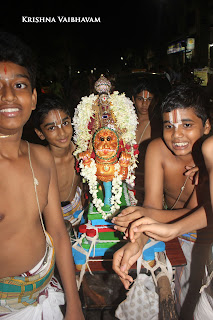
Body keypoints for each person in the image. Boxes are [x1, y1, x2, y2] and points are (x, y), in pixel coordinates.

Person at [0, 32, 84, 319]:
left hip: (47, 293)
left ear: (33, 97)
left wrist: (73, 305)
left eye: (19, 85)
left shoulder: (40, 156)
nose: (8, 95)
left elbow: (58, 233)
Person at [112, 83, 212, 319]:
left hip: (205, 240)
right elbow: (153, 207)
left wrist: (141, 216)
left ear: (207, 125)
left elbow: (195, 214)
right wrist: (137, 239)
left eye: (187, 125)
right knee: (175, 303)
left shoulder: (210, 158)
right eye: (169, 126)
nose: (177, 135)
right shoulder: (157, 149)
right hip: (172, 235)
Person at [32, 94, 83, 224]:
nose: (62, 132)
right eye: (52, 128)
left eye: (65, 123)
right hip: (52, 218)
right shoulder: (40, 163)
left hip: (80, 209)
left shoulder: (81, 152)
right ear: (40, 133)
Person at [132, 79, 166, 205]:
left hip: (149, 182)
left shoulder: (158, 125)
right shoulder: (126, 122)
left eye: (149, 99)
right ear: (133, 99)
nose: (145, 104)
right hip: (125, 180)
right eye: (140, 99)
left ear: (156, 101)